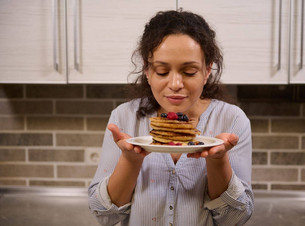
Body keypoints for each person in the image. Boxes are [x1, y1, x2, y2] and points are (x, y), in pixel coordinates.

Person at [88, 10, 254, 226]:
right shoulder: (124, 117)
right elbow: (104, 216)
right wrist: (130, 161)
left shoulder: (232, 121)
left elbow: (235, 218)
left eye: (190, 71)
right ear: (147, 71)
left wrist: (217, 161)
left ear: (207, 70)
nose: (175, 83)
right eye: (162, 71)